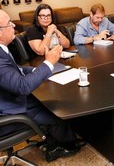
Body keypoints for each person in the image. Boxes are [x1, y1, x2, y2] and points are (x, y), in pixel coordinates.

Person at [0, 9, 85, 162]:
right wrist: (49, 63)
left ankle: (54, 141)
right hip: (9, 113)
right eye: (9, 24)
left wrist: (36, 70)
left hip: (10, 101)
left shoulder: (2, 50)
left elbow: (16, 69)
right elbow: (23, 86)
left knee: (48, 102)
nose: (13, 25)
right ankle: (67, 146)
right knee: (57, 112)